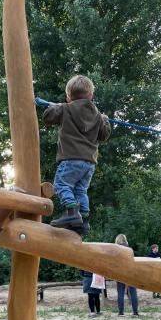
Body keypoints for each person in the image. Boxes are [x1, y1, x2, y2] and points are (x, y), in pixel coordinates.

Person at [43, 75, 111, 231]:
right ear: (91, 96)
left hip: (70, 159)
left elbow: (47, 117)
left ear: (68, 97)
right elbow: (104, 136)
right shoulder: (98, 116)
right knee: (81, 190)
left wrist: (57, 106)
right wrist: (105, 120)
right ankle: (84, 220)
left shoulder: (65, 108)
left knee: (61, 185)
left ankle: (72, 212)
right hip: (89, 163)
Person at [115, 234, 139, 317]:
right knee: (133, 292)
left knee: (120, 293)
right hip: (130, 272)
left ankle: (121, 312)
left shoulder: (116, 249)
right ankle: (135, 312)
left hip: (119, 272)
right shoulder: (129, 249)